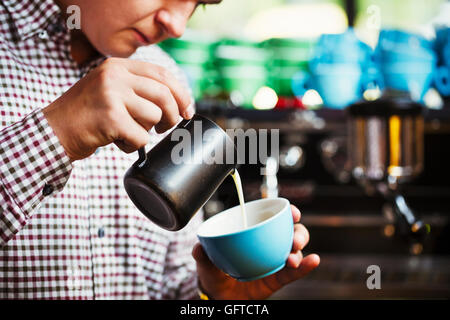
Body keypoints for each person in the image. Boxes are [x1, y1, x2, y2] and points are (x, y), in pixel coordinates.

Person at [0, 0, 320, 299]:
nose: (177, 26)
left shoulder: (163, 77)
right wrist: (58, 132)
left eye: (197, 5)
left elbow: (171, 277)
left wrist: (214, 292)